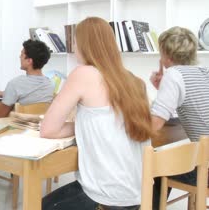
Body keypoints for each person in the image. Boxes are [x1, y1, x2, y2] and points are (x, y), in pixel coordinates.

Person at [40, 17, 153, 210]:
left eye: (75, 42)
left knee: (37, 205)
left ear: (84, 44)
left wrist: (80, 126)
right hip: (137, 195)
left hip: (105, 197)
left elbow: (48, 129)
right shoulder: (134, 81)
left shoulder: (83, 73)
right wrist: (86, 126)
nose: (74, 48)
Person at [149, 27, 209, 209]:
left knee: (156, 168)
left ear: (167, 54)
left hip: (206, 170)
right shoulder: (204, 72)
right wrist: (161, 89)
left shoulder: (174, 75)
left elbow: (154, 125)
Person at [0, 39, 54, 117]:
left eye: (22, 55)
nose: (20, 57)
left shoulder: (15, 84)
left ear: (29, 61)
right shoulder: (50, 84)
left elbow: (0, 114)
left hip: (19, 126)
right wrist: (5, 93)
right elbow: (31, 95)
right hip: (38, 127)